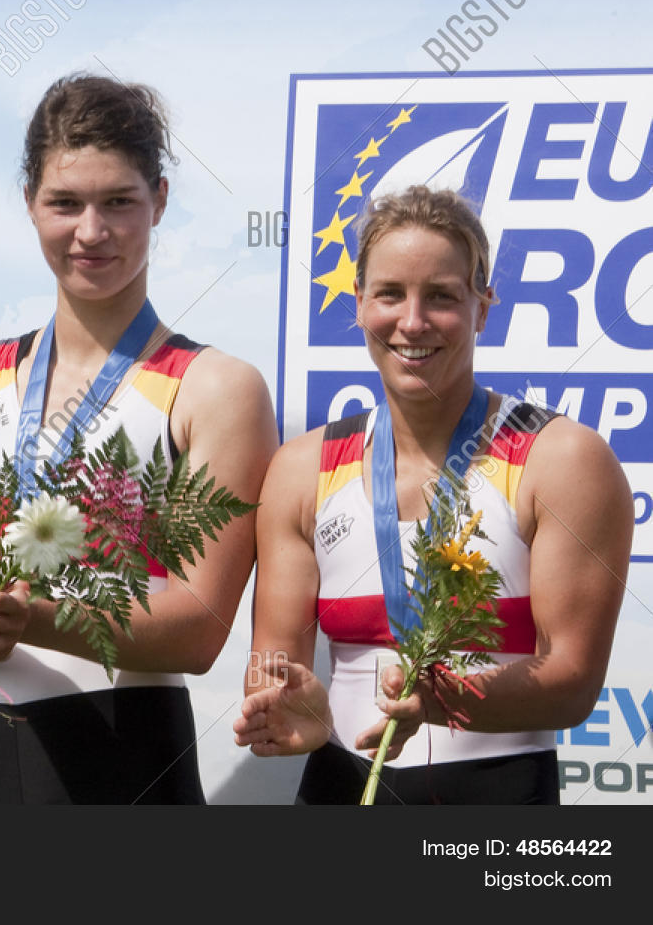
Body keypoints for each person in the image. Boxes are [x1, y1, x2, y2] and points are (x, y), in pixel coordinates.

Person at [0, 73, 277, 804]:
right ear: (30, 204)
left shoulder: (216, 387)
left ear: (162, 201)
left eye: (119, 201)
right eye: (65, 203)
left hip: (128, 758)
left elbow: (200, 630)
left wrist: (36, 619)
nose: (92, 231)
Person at [233, 184, 632, 804]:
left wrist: (439, 698)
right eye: (390, 293)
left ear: (483, 308)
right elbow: (273, 664)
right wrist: (284, 701)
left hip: (497, 798)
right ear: (360, 304)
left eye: (441, 297)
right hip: (339, 786)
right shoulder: (302, 469)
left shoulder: (562, 460)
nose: (412, 322)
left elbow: (573, 683)